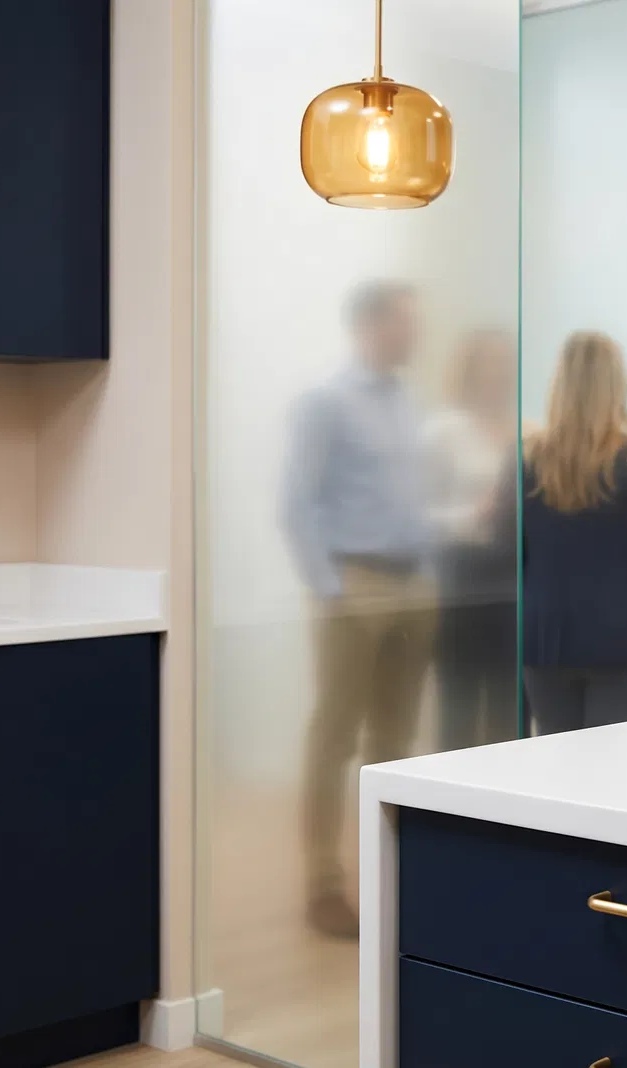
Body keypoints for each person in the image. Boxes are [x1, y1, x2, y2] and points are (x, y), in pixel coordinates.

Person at [281, 280, 439, 939]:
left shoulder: (406, 402)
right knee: (335, 735)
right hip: (357, 583)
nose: (417, 334)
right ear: (373, 324)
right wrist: (331, 586)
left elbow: (413, 495)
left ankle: (388, 873)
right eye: (408, 322)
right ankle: (322, 884)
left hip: (413, 586)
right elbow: (297, 502)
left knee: (396, 739)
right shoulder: (326, 402)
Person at [521, 331, 627, 732]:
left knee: (554, 764)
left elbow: (513, 555)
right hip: (620, 638)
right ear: (615, 387)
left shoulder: (525, 459)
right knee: (609, 772)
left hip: (546, 637)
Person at [424, 328, 520, 750]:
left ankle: (499, 813)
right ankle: (450, 813)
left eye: (505, 362)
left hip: (512, 580)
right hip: (462, 579)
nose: (498, 371)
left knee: (507, 708)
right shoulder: (443, 431)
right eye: (489, 362)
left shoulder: (524, 428)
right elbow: (418, 514)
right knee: (458, 705)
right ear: (471, 369)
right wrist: (473, 514)